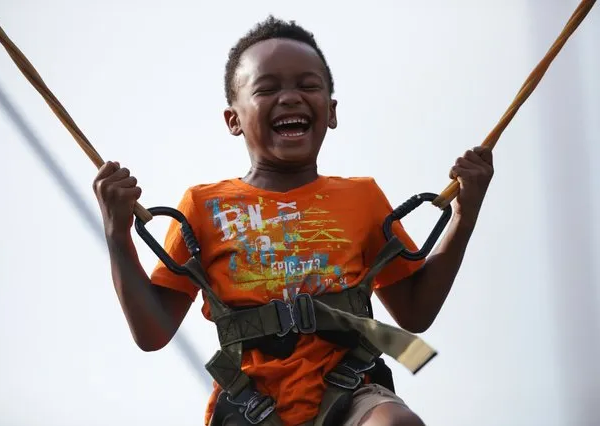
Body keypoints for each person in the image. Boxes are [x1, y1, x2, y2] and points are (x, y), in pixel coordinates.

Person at [92, 15, 494, 426]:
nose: (290, 98)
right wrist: (117, 232)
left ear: (331, 111)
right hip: (251, 404)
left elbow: (414, 312)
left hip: (353, 391)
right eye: (267, 88)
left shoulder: (362, 198)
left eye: (307, 85)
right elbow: (152, 334)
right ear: (233, 119)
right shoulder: (203, 206)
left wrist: (465, 215)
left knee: (396, 424)